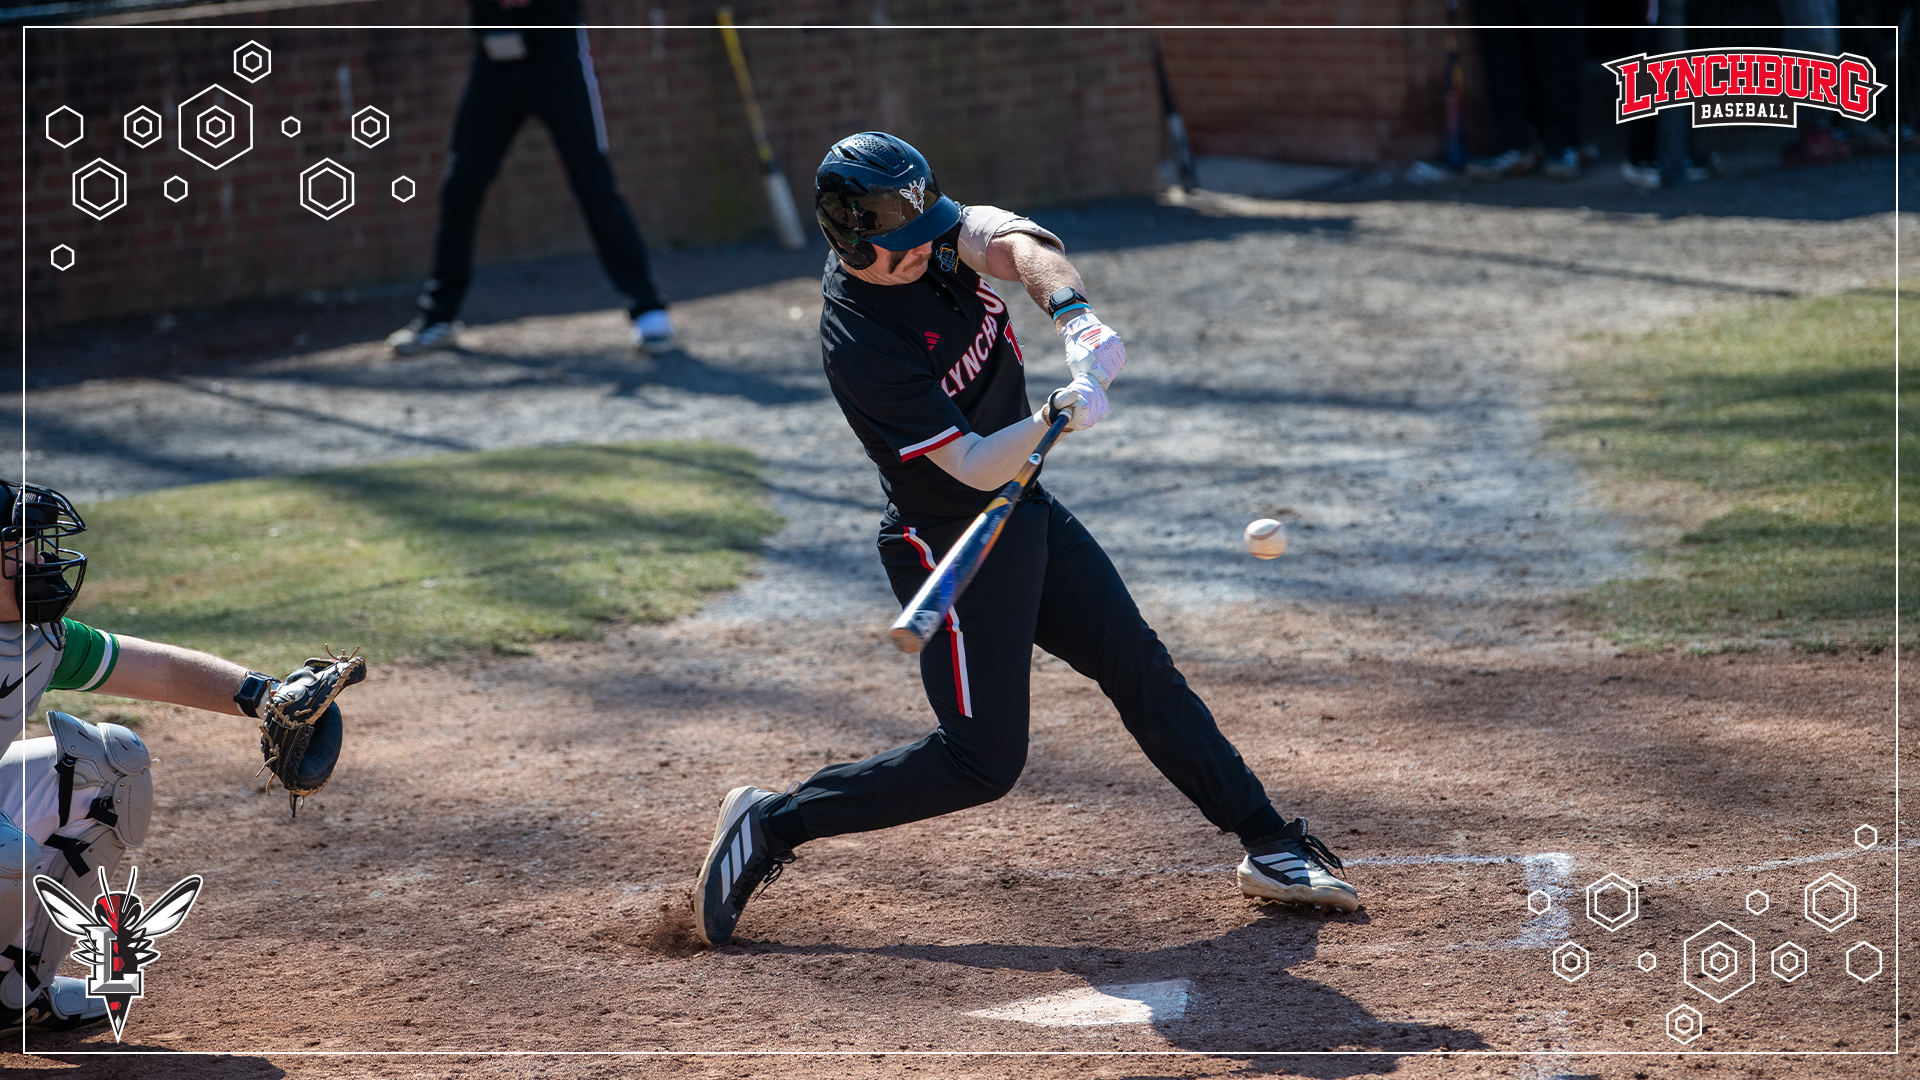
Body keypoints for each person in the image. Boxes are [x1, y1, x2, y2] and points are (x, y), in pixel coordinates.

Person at [689, 132, 1359, 948]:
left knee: (1134, 659)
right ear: (852, 239)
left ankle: (1271, 844)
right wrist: (1049, 417)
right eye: (902, 242)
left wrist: (1076, 320)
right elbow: (970, 465)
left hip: (1025, 509)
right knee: (980, 761)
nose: (928, 248)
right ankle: (774, 823)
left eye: (928, 227)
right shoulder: (861, 340)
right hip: (948, 540)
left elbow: (1018, 243)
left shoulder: (933, 239)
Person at [0, 481, 358, 1031]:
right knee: (5, 848)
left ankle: (14, 990)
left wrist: (265, 698)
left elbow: (158, 668)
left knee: (108, 764)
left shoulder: (37, 638)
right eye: (21, 545)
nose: (43, 558)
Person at [388, 0, 673, 356]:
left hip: (555, 57)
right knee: (460, 185)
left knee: (594, 184)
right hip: (493, 61)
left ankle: (647, 307)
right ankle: (438, 316)